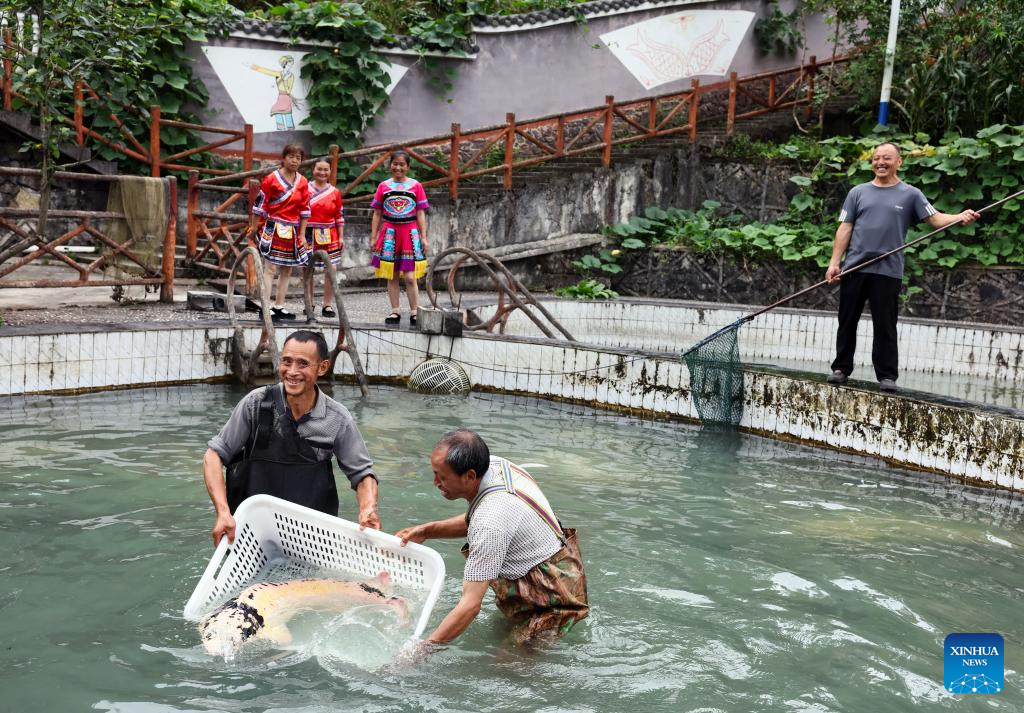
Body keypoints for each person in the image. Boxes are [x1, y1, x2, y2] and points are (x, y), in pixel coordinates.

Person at [396, 429, 588, 647]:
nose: (435, 482)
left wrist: (423, 648)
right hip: (558, 568)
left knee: (507, 666)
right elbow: (481, 518)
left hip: (552, 603)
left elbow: (470, 605)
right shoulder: (493, 466)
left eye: (442, 477)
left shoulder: (491, 520)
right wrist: (428, 531)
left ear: (469, 476)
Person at [825, 142, 980, 392]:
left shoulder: (911, 194)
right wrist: (835, 263)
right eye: (876, 158)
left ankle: (887, 376)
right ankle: (841, 368)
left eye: (886, 158)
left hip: (888, 270)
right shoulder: (857, 192)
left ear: (899, 162)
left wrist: (959, 216)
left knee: (885, 324)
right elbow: (845, 228)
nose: (880, 162)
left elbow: (935, 218)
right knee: (847, 320)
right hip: (854, 268)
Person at [202, 330, 380, 545]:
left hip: (313, 538)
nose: (292, 371)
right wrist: (222, 512)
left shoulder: (337, 418)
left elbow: (362, 474)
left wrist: (367, 508)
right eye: (286, 361)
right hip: (252, 534)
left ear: (322, 367)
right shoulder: (256, 404)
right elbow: (213, 456)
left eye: (303, 364)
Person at [249, 143, 311, 322]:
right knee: (270, 268)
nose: (294, 160)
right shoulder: (271, 179)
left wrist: (301, 234)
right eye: (291, 157)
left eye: (298, 158)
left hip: (292, 229)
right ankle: (265, 306)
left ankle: (279, 306)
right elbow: (260, 205)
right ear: (283, 158)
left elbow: (305, 209)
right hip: (272, 226)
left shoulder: (303, 182)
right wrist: (254, 227)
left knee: (288, 270)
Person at [369, 150, 429, 327]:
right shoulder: (383, 186)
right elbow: (377, 212)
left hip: (409, 233)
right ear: (390, 166)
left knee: (410, 277)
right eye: (395, 164)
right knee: (392, 274)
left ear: (408, 167)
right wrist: (373, 237)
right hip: (389, 233)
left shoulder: (416, 186)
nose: (398, 167)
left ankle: (415, 312)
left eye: (402, 164)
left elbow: (420, 212)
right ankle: (395, 311)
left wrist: (423, 237)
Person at [304, 159, 345, 320]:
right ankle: (309, 303)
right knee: (308, 269)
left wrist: (341, 236)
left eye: (326, 170)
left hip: (330, 232)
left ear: (330, 171)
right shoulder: (305, 188)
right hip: (308, 232)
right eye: (319, 169)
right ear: (313, 170)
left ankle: (327, 304)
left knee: (331, 269)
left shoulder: (334, 192)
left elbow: (339, 215)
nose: (322, 172)